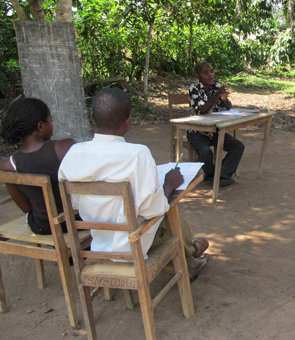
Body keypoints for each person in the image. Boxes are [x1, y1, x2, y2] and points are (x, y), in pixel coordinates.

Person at [58, 89, 208, 280]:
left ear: (92, 117)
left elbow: (75, 204)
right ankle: (191, 256)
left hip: (99, 240)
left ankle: (192, 252)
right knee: (170, 213)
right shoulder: (138, 154)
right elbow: (152, 210)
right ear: (129, 120)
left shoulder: (73, 154)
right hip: (133, 242)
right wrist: (169, 185)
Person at [0, 97, 75, 235]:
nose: (52, 125)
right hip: (75, 221)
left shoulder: (9, 166)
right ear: (40, 126)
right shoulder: (64, 148)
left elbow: (26, 207)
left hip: (42, 226)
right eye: (50, 121)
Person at [187, 61, 245, 186]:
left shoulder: (216, 86)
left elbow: (229, 107)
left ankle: (221, 175)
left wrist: (223, 98)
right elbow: (203, 110)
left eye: (212, 71)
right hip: (197, 131)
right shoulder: (194, 88)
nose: (210, 75)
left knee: (238, 146)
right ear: (198, 75)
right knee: (206, 152)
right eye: (206, 73)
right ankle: (210, 176)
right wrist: (217, 95)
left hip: (214, 130)